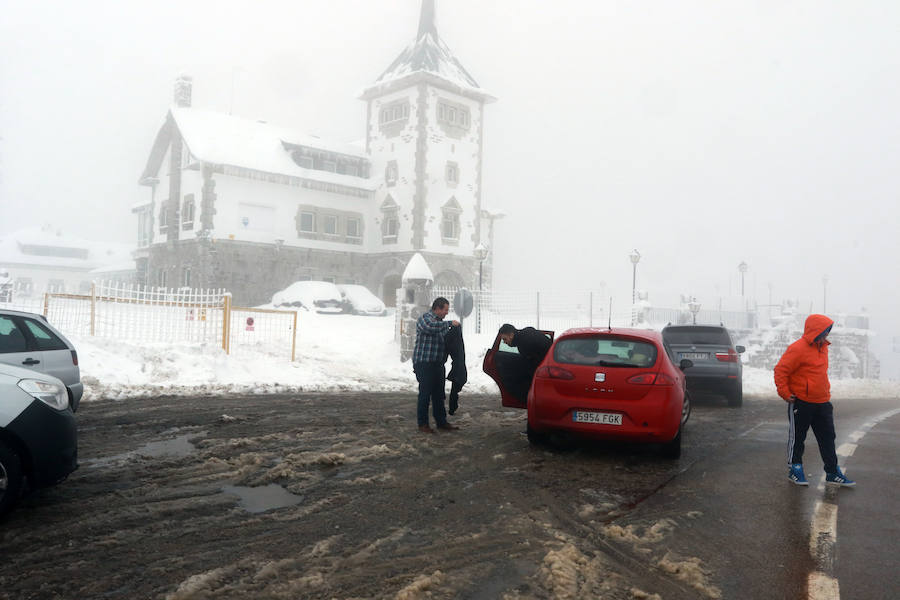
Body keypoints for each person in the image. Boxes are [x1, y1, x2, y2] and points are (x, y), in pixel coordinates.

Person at [774, 314, 855, 487]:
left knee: (827, 438)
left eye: (827, 332)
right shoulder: (797, 348)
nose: (826, 335)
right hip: (801, 402)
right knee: (798, 438)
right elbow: (781, 370)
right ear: (815, 331)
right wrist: (784, 392)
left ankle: (832, 472)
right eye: (824, 331)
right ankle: (795, 469)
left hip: (823, 402)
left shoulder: (823, 347)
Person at [413, 297, 460, 434]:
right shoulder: (425, 319)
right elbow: (429, 327)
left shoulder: (441, 324)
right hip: (424, 363)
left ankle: (441, 422)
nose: (446, 313)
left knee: (439, 395)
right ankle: (423, 424)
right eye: (445, 310)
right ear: (437, 308)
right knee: (425, 394)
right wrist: (449, 323)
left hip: (438, 365)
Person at [498, 323, 553, 403]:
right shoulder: (526, 333)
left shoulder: (523, 344)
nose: (504, 342)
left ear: (511, 335)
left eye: (505, 339)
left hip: (548, 370)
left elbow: (534, 365)